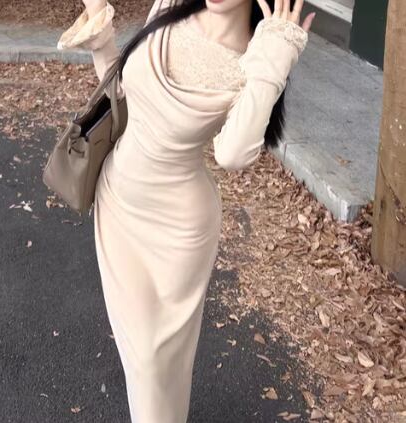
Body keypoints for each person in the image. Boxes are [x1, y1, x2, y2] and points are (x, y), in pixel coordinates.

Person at [57, 0, 315, 421]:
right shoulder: (171, 5)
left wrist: (276, 57)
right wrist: (100, 26)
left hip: (179, 229)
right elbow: (120, 90)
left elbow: (232, 153)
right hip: (118, 202)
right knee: (139, 357)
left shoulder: (259, 54)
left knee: (157, 360)